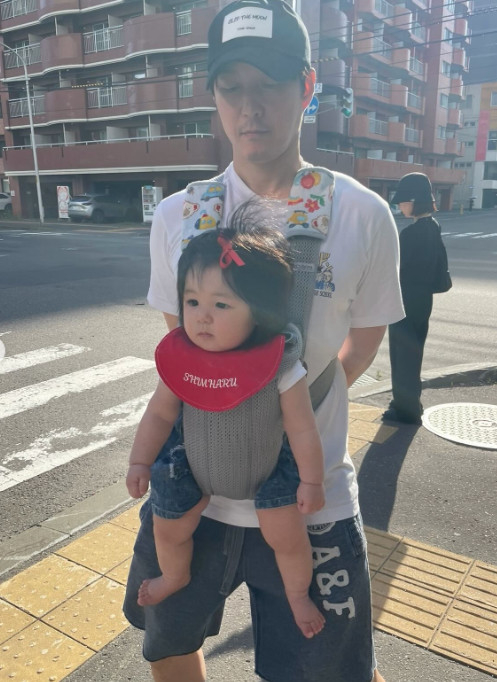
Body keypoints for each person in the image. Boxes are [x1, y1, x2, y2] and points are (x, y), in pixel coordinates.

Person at [123, 1, 404, 680]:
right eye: (231, 87)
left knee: (327, 670)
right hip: (192, 493)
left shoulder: (363, 215)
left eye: (270, 84)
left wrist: (289, 409)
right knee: (170, 645)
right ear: (214, 96)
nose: (250, 107)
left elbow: (362, 344)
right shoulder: (178, 216)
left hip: (313, 501)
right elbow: (184, 350)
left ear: (306, 87)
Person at [126, 225, 326, 638]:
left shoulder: (280, 364)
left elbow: (302, 429)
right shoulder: (184, 360)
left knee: (287, 536)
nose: (202, 315)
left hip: (268, 475)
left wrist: (312, 480)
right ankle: (175, 575)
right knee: (167, 525)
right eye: (192, 301)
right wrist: (139, 461)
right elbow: (159, 415)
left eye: (221, 304)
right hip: (192, 470)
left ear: (260, 312)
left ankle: (297, 594)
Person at [382, 172, 447, 425]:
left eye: (402, 202)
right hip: (423, 301)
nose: (399, 206)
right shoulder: (433, 226)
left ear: (413, 201)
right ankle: (409, 403)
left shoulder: (410, 234)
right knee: (413, 353)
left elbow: (395, 271)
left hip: (404, 301)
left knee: (401, 355)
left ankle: (405, 409)